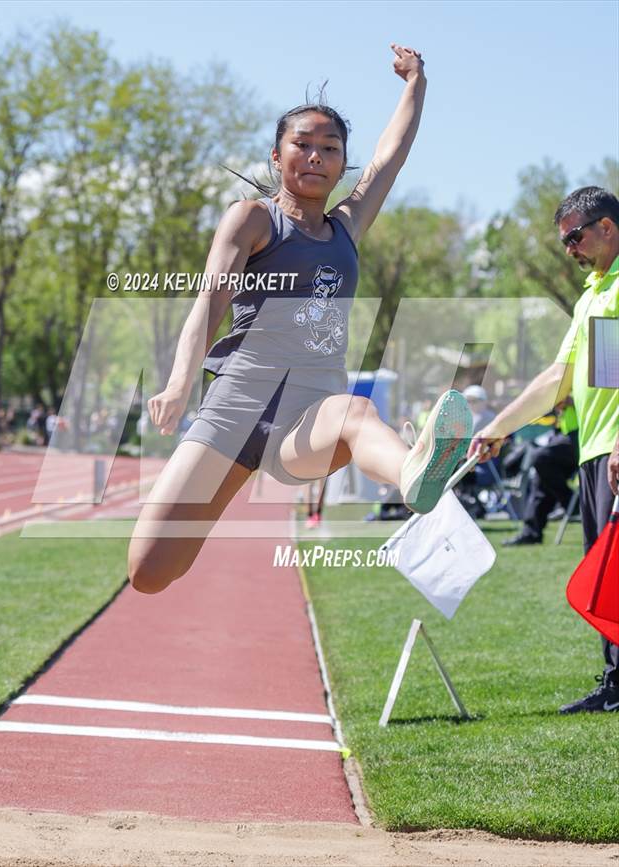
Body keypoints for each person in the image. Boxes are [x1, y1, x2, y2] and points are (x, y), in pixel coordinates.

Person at [127, 43, 473, 596]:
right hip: (236, 406)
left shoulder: (347, 227)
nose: (316, 156)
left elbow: (391, 155)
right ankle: (216, 501)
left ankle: (414, 473)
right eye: (303, 145)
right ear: (276, 155)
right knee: (149, 572)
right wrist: (177, 382)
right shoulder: (252, 220)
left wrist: (416, 82)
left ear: (342, 163)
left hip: (309, 414)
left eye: (329, 148)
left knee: (356, 412)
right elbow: (208, 305)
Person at [470, 186, 619, 714]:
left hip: (615, 450)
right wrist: (500, 428)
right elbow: (559, 379)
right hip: (595, 453)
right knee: (606, 575)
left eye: (575, 236)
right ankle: (615, 683)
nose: (570, 248)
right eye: (563, 242)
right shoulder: (593, 295)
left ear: (607, 227)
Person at [503, 399, 579, 546]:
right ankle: (531, 532)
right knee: (541, 478)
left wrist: (570, 401)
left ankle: (571, 502)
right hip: (564, 434)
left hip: (583, 436)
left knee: (540, 458)